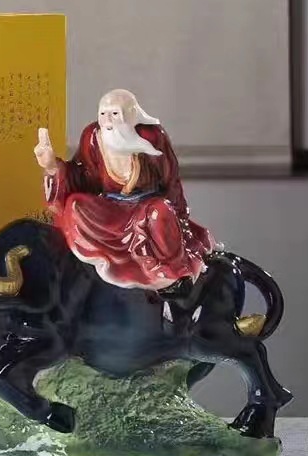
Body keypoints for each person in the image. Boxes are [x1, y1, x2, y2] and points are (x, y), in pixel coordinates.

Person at [34, 89, 217, 304]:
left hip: (148, 205)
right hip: (112, 208)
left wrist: (180, 216)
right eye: (103, 114)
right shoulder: (92, 137)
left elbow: (170, 180)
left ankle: (169, 272)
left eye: (115, 114)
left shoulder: (152, 137)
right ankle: (105, 261)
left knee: (160, 214)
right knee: (76, 206)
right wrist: (52, 166)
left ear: (132, 115)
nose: (108, 121)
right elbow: (80, 176)